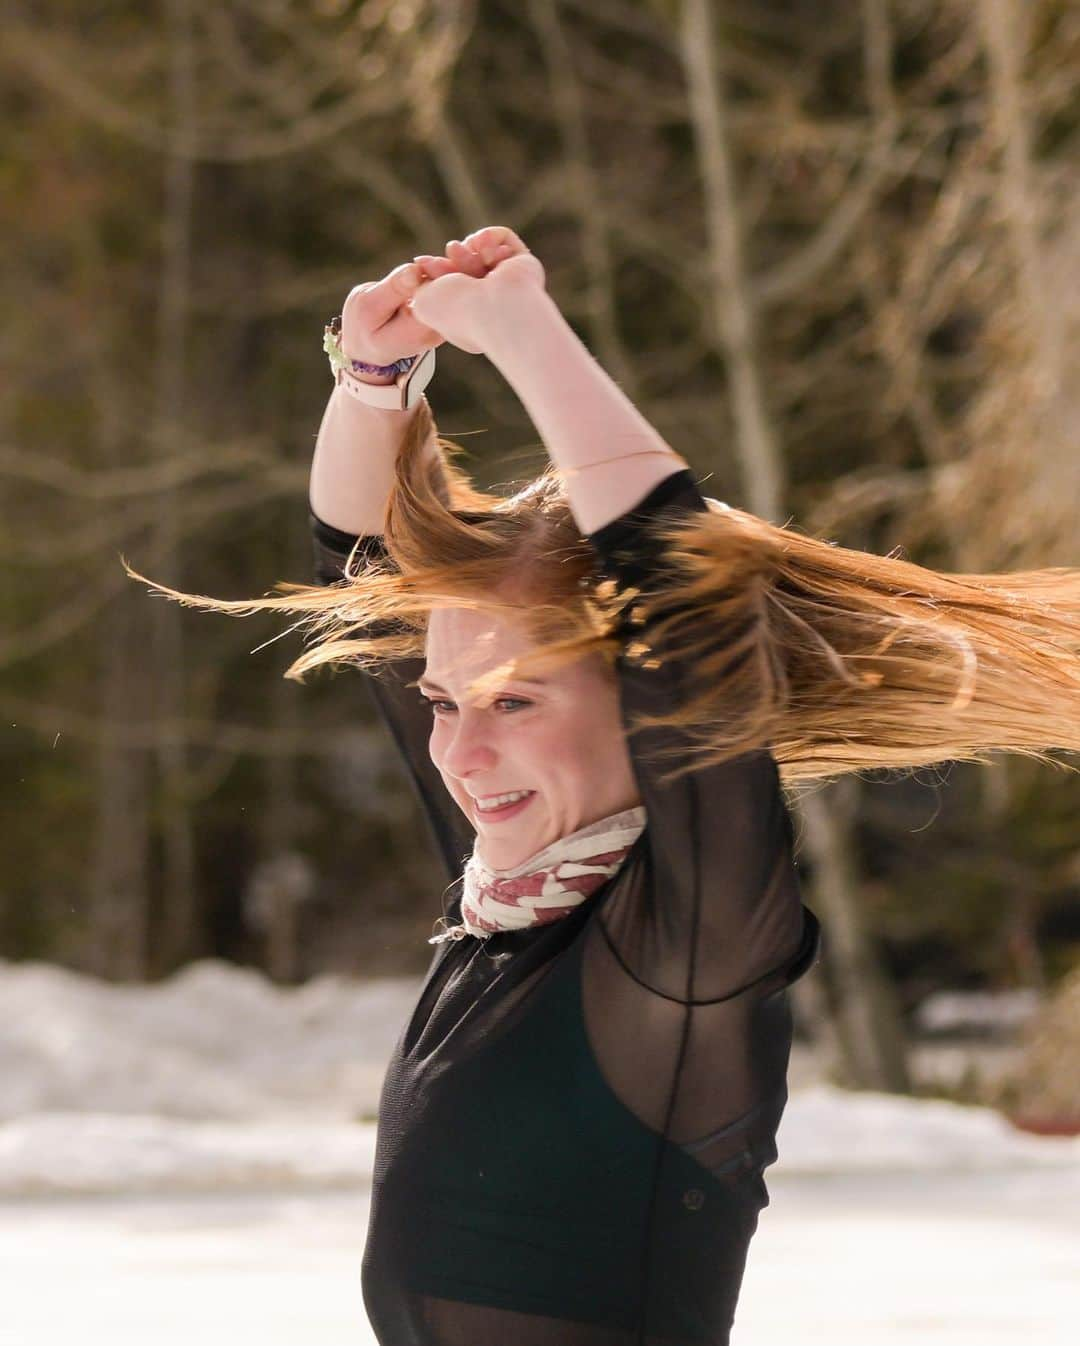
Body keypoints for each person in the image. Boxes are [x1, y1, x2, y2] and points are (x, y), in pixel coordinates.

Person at [128, 226, 1080, 1346]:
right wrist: (376, 380)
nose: (462, 755)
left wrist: (527, 332)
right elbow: (356, 560)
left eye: (516, 699)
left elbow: (681, 581)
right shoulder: (507, 895)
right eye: (444, 700)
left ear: (649, 703)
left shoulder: (683, 944)